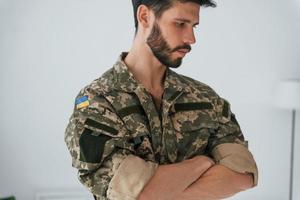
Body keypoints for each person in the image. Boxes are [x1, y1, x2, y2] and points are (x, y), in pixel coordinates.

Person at [65, 0, 258, 199]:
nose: (191, 39)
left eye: (194, 26)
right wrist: (202, 162)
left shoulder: (205, 97)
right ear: (145, 17)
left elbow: (242, 175)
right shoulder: (97, 101)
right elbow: (129, 193)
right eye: (180, 24)